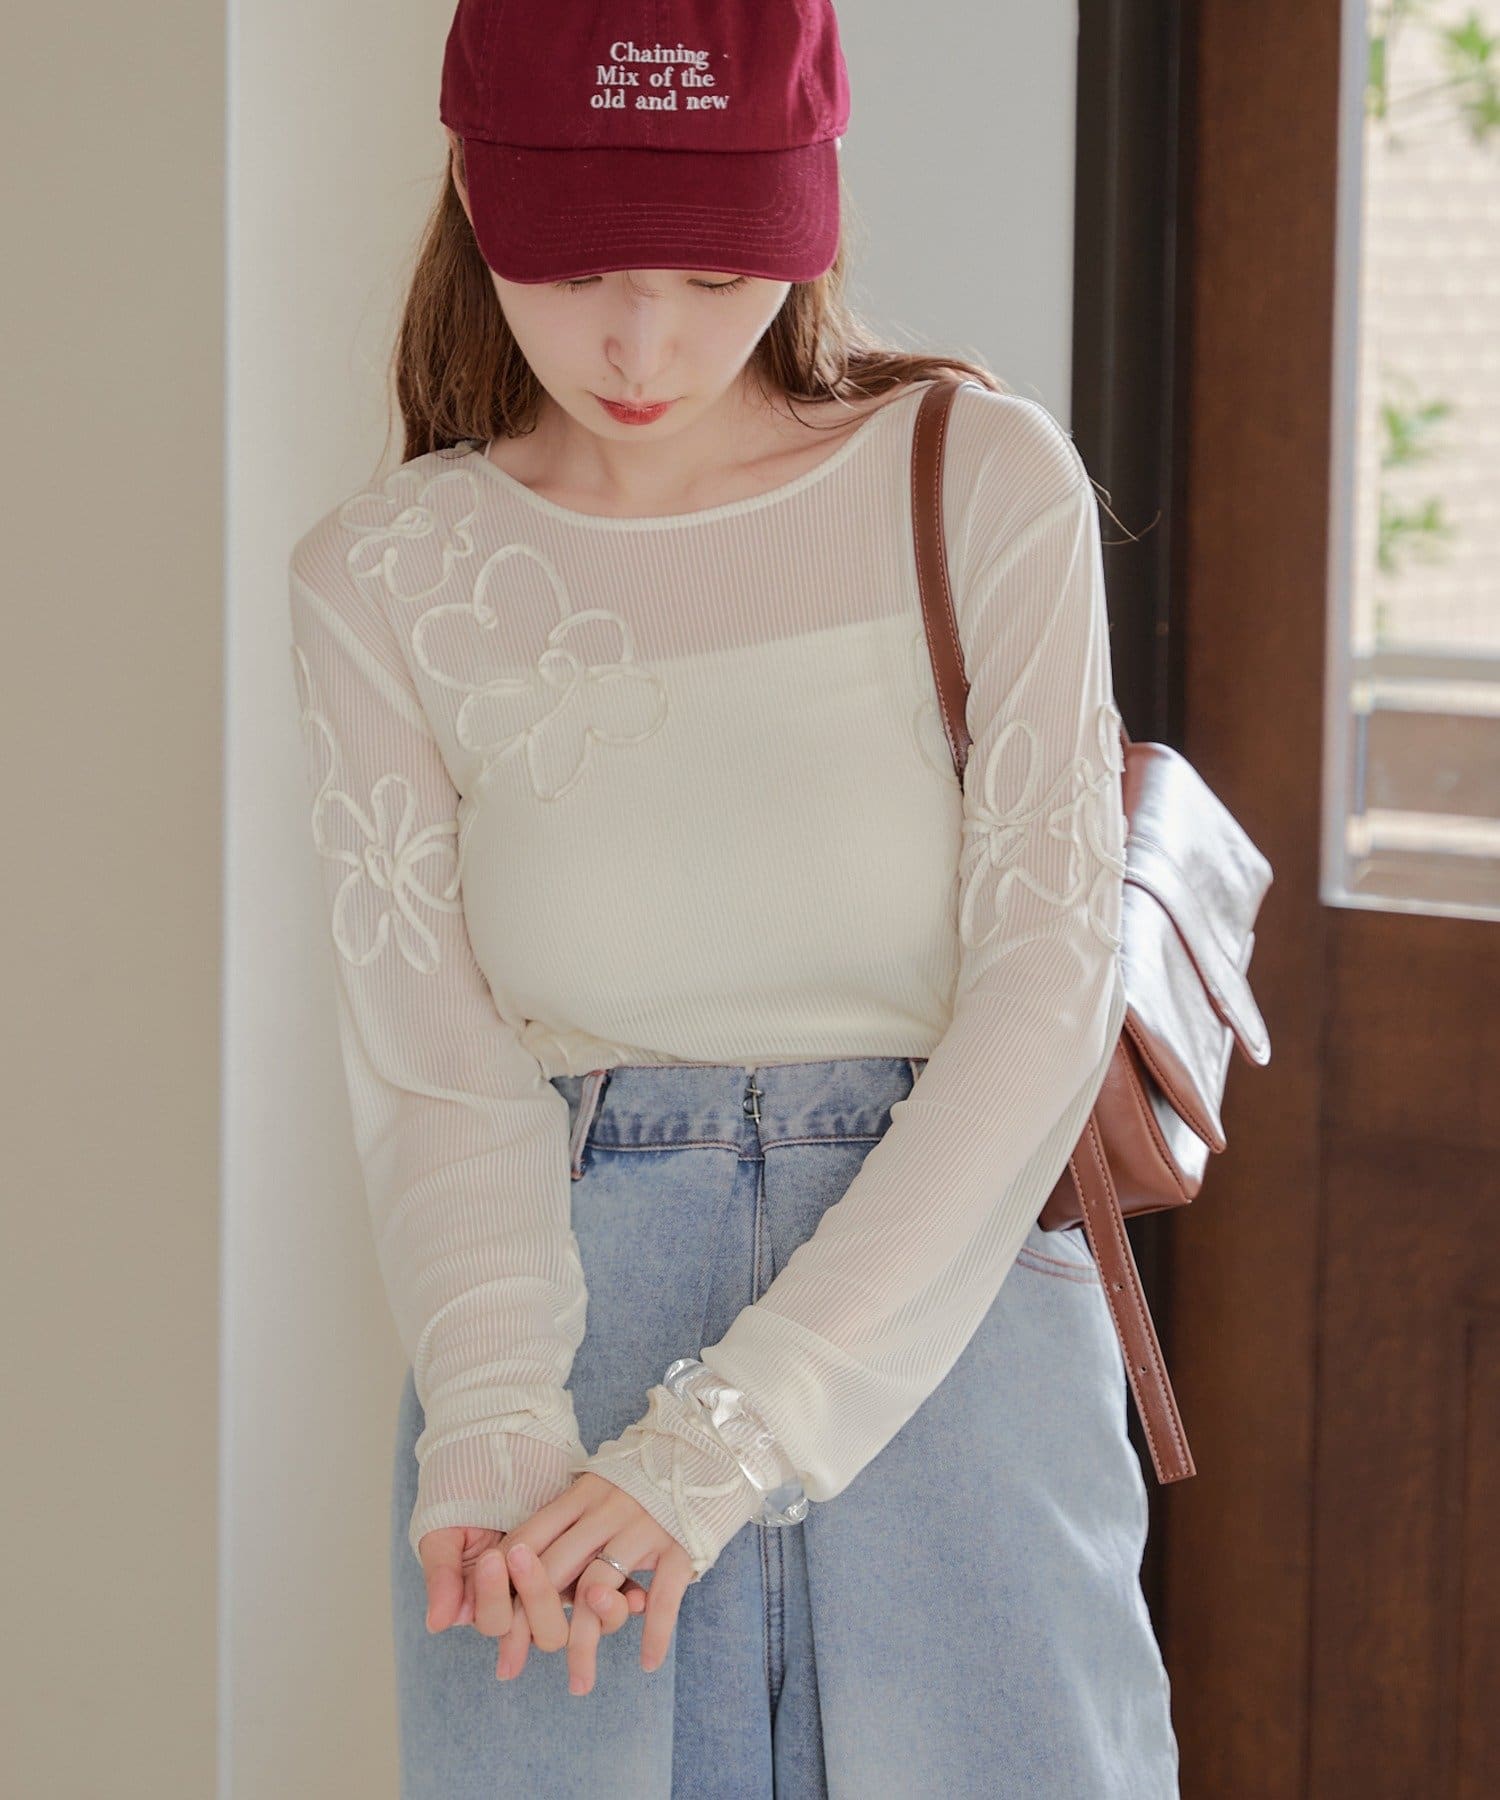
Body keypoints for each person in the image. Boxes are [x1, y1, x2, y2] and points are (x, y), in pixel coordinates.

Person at [286, 0, 1181, 1793]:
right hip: (556, 1337)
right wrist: (492, 1422)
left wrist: (723, 1441)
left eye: (714, 273)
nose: (643, 344)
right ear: (477, 194)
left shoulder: (977, 477)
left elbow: (1043, 993)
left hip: (948, 1325)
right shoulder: (385, 574)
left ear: (808, 208)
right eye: (577, 272)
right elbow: (438, 1066)